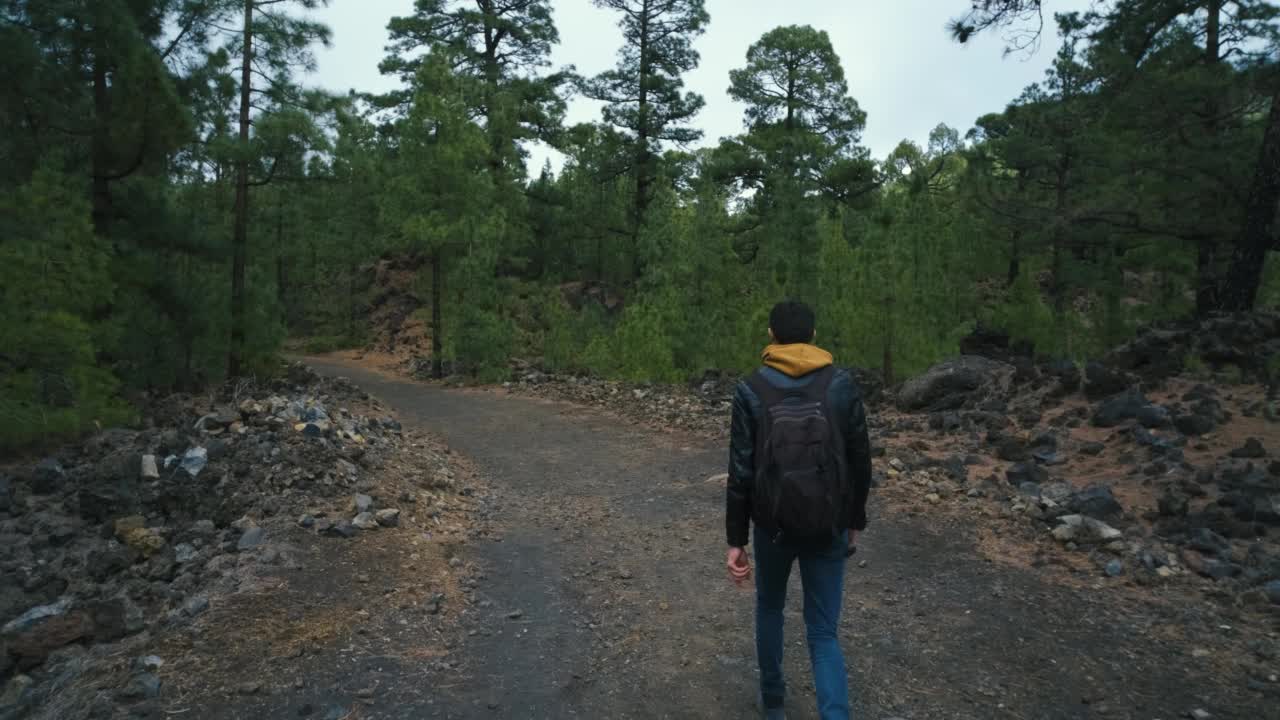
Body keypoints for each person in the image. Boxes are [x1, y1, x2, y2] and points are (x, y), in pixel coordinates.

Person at [724, 300, 874, 720]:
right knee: (823, 632)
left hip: (772, 527)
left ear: (771, 335)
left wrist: (736, 541)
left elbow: (740, 472)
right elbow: (861, 460)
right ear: (813, 337)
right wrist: (853, 520)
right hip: (829, 526)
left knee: (770, 607)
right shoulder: (841, 385)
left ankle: (773, 704)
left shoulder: (751, 388)